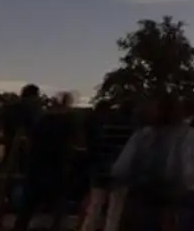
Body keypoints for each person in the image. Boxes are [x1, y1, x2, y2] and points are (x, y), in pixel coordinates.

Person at [112, 96, 194, 231]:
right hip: (168, 205)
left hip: (137, 202)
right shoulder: (187, 135)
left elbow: (119, 169)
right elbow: (186, 175)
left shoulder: (142, 134)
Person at [13, 91, 82, 231]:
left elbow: (30, 141)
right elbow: (73, 143)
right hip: (55, 167)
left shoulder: (42, 120)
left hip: (37, 166)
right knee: (57, 206)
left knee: (28, 207)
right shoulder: (68, 122)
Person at [79, 101, 135, 231]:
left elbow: (95, 147)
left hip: (100, 169)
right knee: (115, 210)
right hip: (120, 172)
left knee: (95, 206)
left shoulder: (105, 125)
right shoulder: (133, 130)